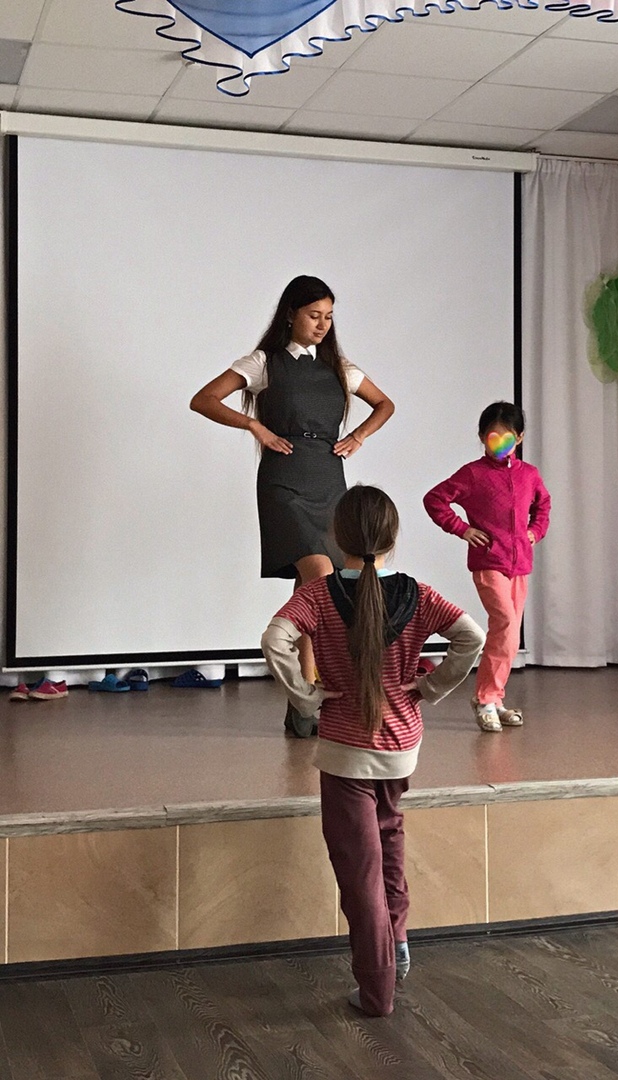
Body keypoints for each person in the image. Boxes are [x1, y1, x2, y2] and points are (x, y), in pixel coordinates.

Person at [260, 485, 484, 1016]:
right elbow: (471, 637)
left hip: (346, 751)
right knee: (389, 843)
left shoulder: (319, 596)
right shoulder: (417, 593)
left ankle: (377, 990)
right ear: (392, 537)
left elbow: (274, 640)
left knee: (358, 871)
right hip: (401, 745)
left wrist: (308, 697)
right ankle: (397, 940)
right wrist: (427, 688)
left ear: (336, 536)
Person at [190, 275, 394, 737]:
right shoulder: (264, 362)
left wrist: (358, 436)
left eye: (329, 317)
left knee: (315, 584)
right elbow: (203, 400)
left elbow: (384, 404)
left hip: (328, 479)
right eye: (313, 315)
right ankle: (306, 683)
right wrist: (254, 426)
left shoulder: (340, 367)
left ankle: (302, 701)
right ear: (290, 314)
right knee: (320, 576)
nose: (322, 325)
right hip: (283, 479)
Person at [423, 402, 551, 733]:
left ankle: (494, 698)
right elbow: (435, 499)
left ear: (519, 437)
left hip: (520, 565)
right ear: (482, 437)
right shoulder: (472, 474)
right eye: (492, 438)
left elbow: (543, 505)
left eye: (507, 438)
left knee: (509, 635)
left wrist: (535, 531)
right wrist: (462, 529)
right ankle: (485, 699)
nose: (499, 445)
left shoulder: (529, 475)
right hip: (489, 562)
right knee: (505, 623)